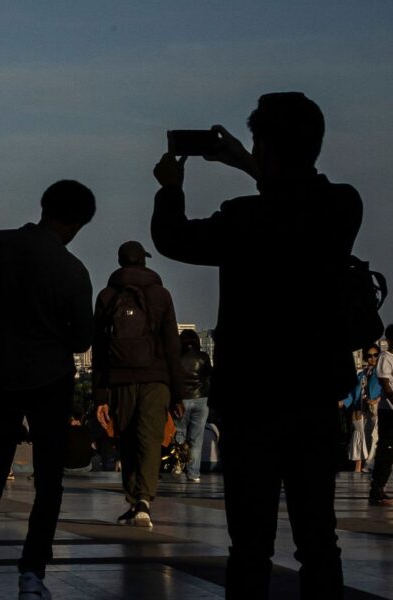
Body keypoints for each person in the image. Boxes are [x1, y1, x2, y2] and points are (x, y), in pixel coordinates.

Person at [151, 92, 358, 597]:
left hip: (253, 399)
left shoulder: (242, 219)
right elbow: (299, 198)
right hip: (314, 390)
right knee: (318, 539)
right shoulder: (342, 206)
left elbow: (172, 238)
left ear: (264, 146)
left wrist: (171, 188)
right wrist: (249, 161)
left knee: (249, 545)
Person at [0, 180, 96, 600]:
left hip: (0, 372)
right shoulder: (73, 270)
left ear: (43, 205)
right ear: (77, 224)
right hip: (50, 377)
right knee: (49, 481)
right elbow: (83, 339)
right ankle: (33, 576)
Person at [92, 240, 182, 528]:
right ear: (144, 261)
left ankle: (133, 499)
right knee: (150, 438)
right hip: (156, 378)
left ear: (120, 261)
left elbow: (100, 348)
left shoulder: (107, 295)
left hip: (120, 379)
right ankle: (144, 498)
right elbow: (171, 346)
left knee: (127, 437)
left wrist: (100, 395)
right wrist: (178, 393)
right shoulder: (161, 295)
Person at [175, 330, 214, 482]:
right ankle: (193, 474)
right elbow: (209, 376)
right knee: (196, 439)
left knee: (180, 433)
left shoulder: (177, 358)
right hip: (201, 399)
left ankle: (179, 464)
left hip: (182, 400)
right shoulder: (203, 357)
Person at [345, 347, 380, 476]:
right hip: (361, 408)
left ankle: (370, 464)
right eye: (370, 356)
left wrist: (377, 400)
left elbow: (388, 388)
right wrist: (344, 402)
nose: (373, 358)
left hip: (376, 408)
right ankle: (358, 467)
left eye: (375, 355)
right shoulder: (361, 374)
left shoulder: (382, 372)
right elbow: (353, 393)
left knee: (374, 436)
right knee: (359, 436)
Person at [372, 327, 393, 505]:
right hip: (389, 411)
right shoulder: (385, 358)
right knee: (387, 448)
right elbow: (386, 386)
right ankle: (377, 487)